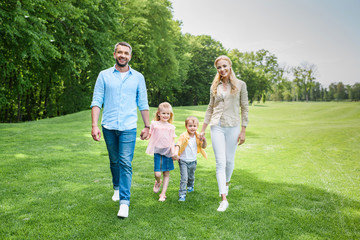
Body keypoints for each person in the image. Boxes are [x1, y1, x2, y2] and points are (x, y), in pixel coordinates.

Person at [90, 42, 150, 218]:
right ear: (115, 54)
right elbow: (96, 100)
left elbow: (143, 103)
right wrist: (94, 125)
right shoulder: (104, 75)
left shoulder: (138, 77)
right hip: (108, 125)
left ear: (130, 56)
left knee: (125, 162)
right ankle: (116, 187)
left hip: (128, 127)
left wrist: (147, 126)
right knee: (114, 161)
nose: (123, 55)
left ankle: (124, 202)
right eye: (120, 52)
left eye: (126, 53)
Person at [199, 55, 249, 212]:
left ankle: (226, 183)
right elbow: (210, 108)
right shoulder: (215, 86)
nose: (222, 69)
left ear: (230, 66)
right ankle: (223, 198)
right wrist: (203, 129)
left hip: (233, 126)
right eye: (219, 67)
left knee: (229, 161)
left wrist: (243, 130)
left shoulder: (241, 85)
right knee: (220, 162)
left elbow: (244, 107)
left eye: (224, 66)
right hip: (217, 126)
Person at [145, 102, 177, 202]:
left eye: (168, 114)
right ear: (159, 113)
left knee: (166, 173)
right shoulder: (154, 124)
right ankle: (158, 182)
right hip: (157, 151)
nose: (166, 116)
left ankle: (163, 194)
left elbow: (172, 141)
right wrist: (144, 135)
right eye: (163, 113)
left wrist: (173, 153)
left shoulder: (171, 127)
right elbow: (149, 135)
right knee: (158, 173)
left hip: (167, 152)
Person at [173, 116, 207, 202]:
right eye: (190, 126)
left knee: (191, 176)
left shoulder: (198, 136)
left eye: (194, 126)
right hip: (183, 161)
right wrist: (176, 153)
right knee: (184, 178)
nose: (192, 128)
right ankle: (182, 195)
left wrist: (204, 140)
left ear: (197, 126)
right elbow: (178, 144)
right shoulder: (183, 136)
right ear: (186, 126)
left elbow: (204, 146)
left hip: (193, 161)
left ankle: (190, 186)